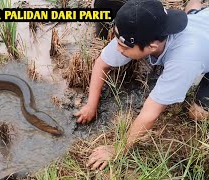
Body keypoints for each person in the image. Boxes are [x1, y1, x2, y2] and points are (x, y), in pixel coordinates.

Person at [75, 0, 209, 170]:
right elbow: (101, 64)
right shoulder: (148, 22)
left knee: (198, 114)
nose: (117, 49)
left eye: (123, 46)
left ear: (152, 46)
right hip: (200, 24)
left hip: (197, 47)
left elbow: (151, 111)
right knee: (192, 19)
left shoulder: (184, 59)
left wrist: (119, 148)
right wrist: (90, 106)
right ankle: (195, 7)